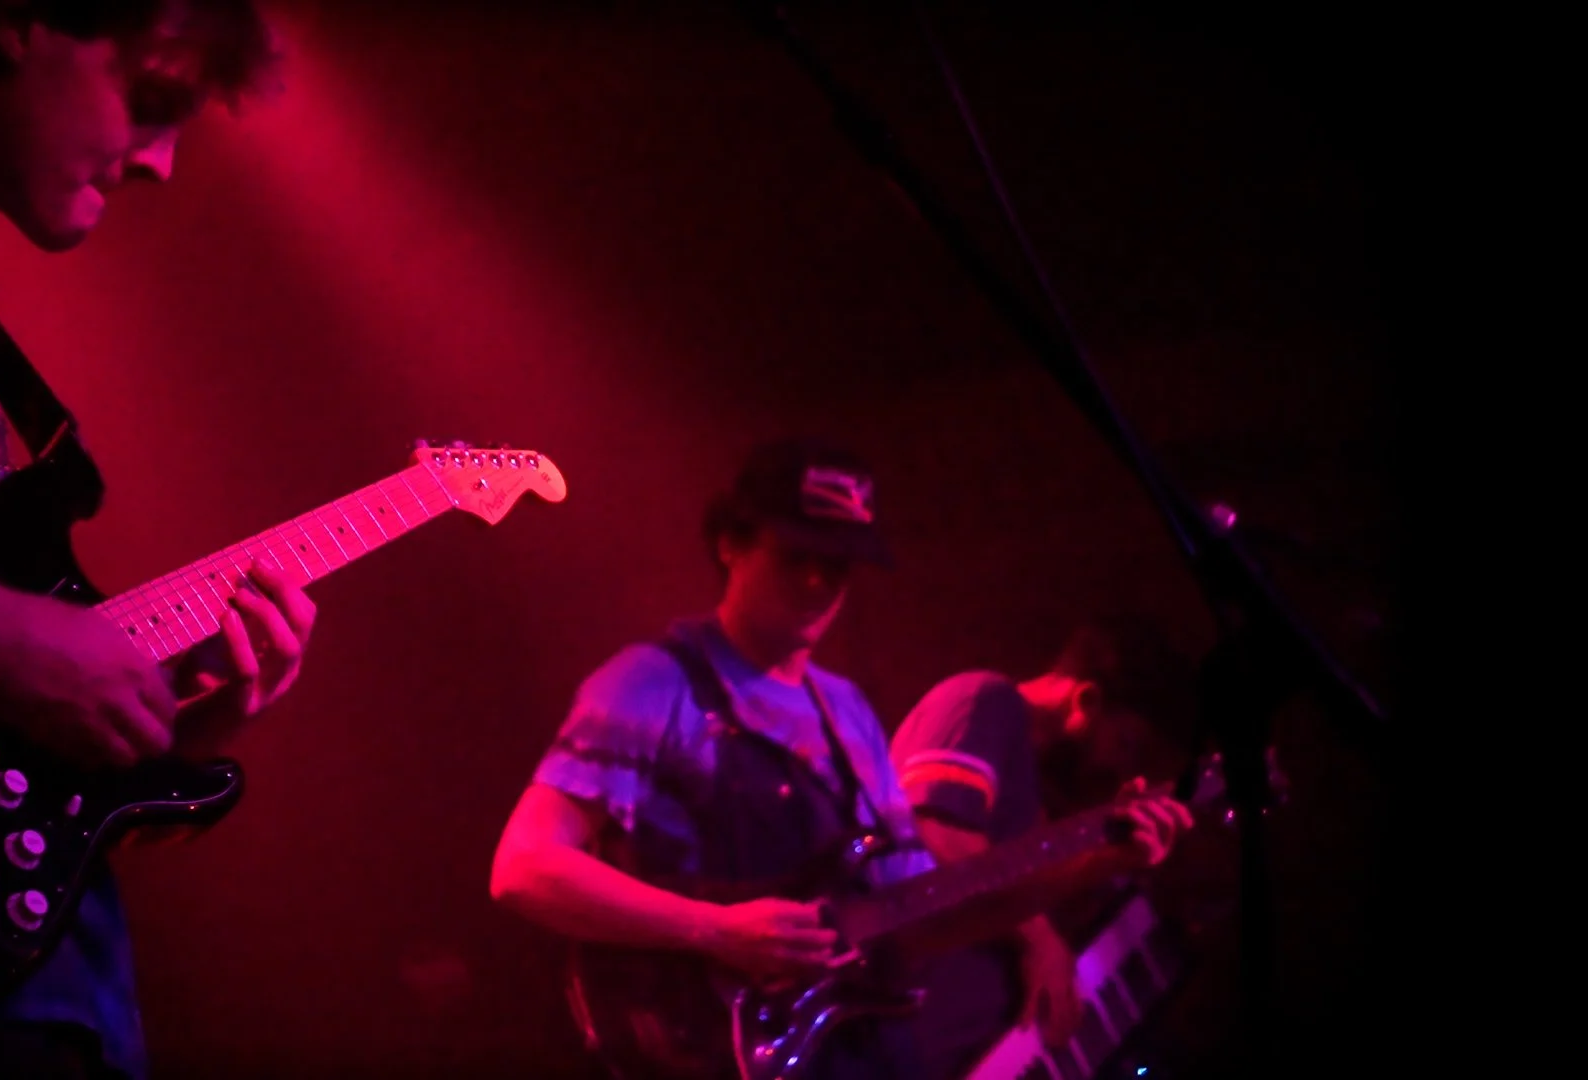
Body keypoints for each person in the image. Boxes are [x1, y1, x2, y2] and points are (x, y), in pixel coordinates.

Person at [0, 2, 313, 1076]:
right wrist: (10, 638)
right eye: (151, 100)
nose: (162, 162)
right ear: (17, 22)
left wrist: (166, 718)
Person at [489, 436, 1193, 1079]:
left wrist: (1094, 860)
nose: (820, 583)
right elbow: (524, 869)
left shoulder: (849, 712)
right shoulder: (650, 684)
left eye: (839, 565)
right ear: (731, 542)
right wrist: (715, 929)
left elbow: (917, 917)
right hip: (700, 1051)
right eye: (797, 556)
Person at [887, 617, 1201, 1079]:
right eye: (1127, 744)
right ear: (1087, 701)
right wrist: (1040, 938)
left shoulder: (1045, 792)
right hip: (902, 1039)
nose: (1123, 768)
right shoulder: (988, 702)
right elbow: (938, 838)